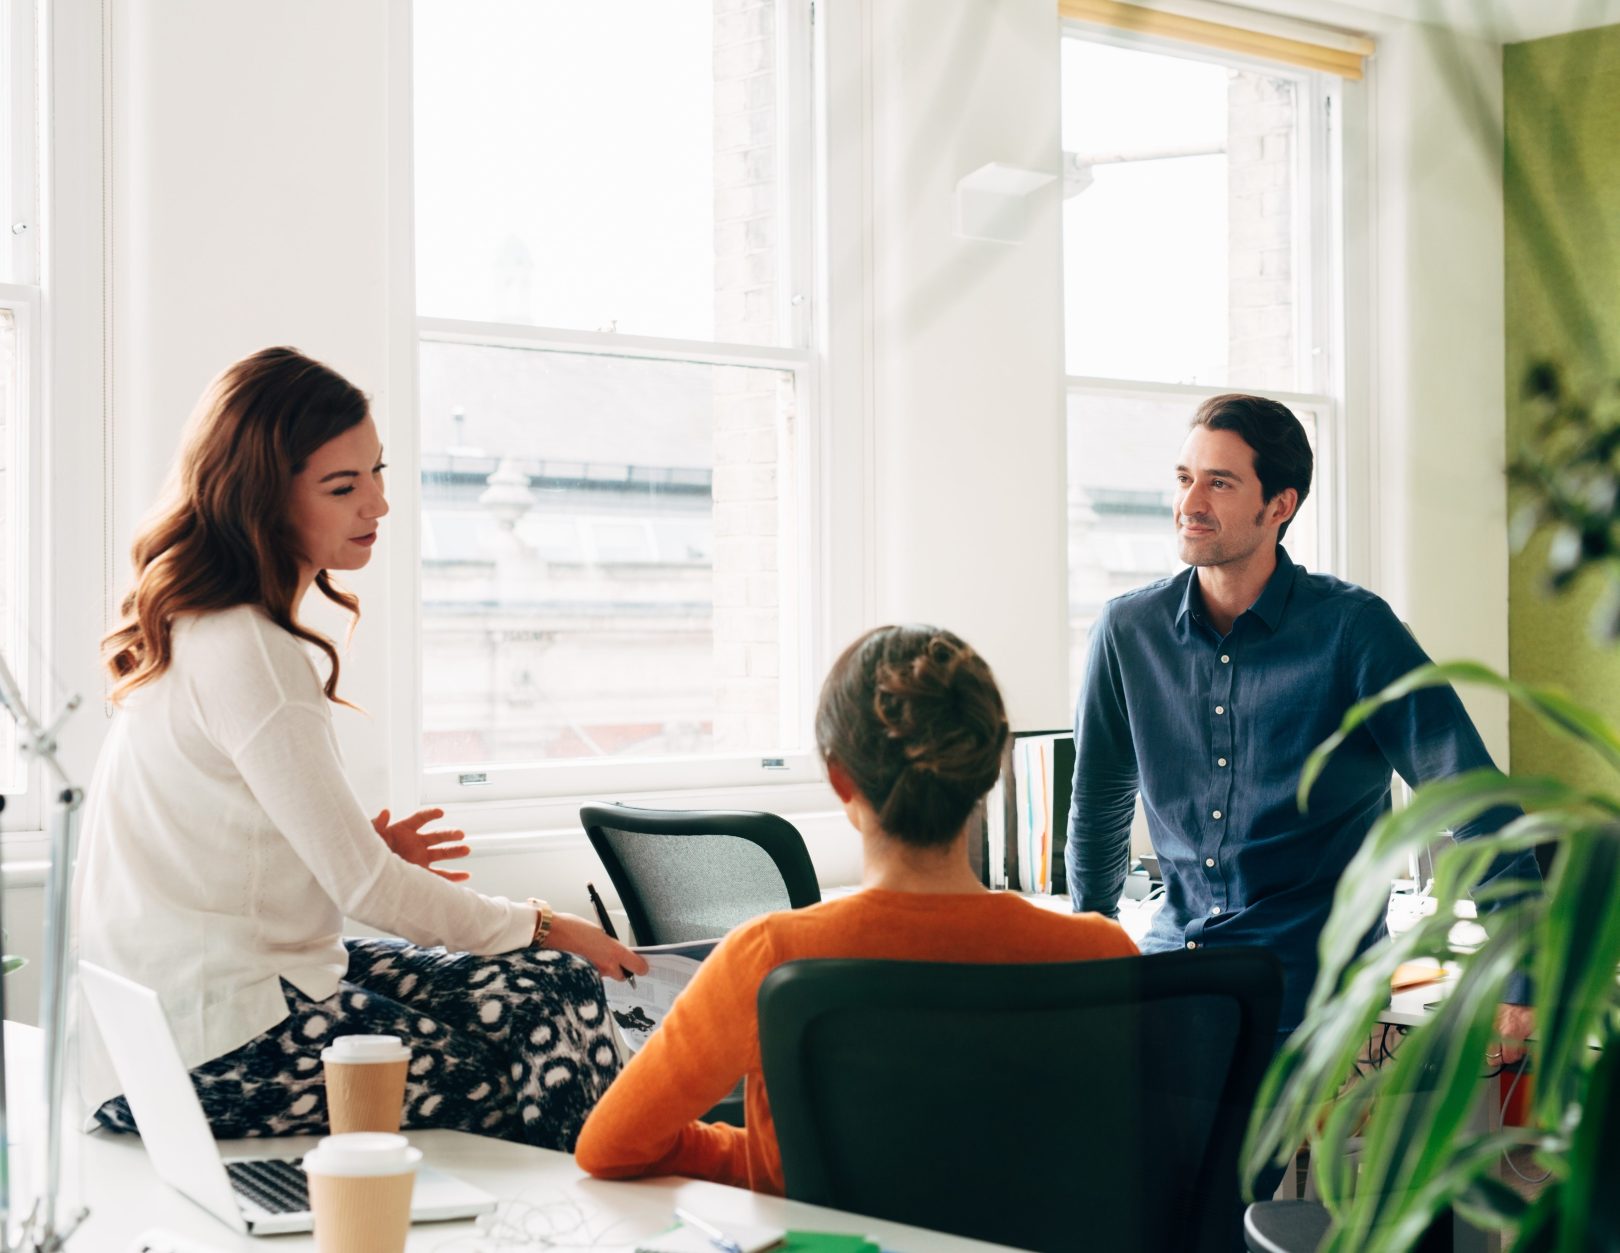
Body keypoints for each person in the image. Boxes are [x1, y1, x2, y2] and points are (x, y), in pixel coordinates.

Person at [74, 346, 649, 1149]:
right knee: (529, 1043)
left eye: (376, 472)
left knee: (543, 991)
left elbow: (223, 844)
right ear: (262, 500)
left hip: (176, 1025)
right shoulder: (252, 649)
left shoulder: (199, 624)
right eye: (342, 487)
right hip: (206, 1044)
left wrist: (351, 848)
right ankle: (602, 1220)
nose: (378, 501)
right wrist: (545, 920)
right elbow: (367, 888)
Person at [575, 624, 1137, 1194]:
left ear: (840, 778)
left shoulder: (771, 955)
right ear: (993, 766)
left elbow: (612, 1146)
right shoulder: (1103, 953)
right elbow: (1143, 1147)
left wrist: (779, 1159)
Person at [1064, 392, 1539, 1045]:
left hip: (1315, 998)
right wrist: (1088, 941)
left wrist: (1526, 977)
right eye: (1183, 478)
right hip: (1172, 980)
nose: (1189, 503)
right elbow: (1098, 804)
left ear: (1279, 505)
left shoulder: (1354, 631)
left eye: (1219, 482)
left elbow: (1472, 798)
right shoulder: (1126, 631)